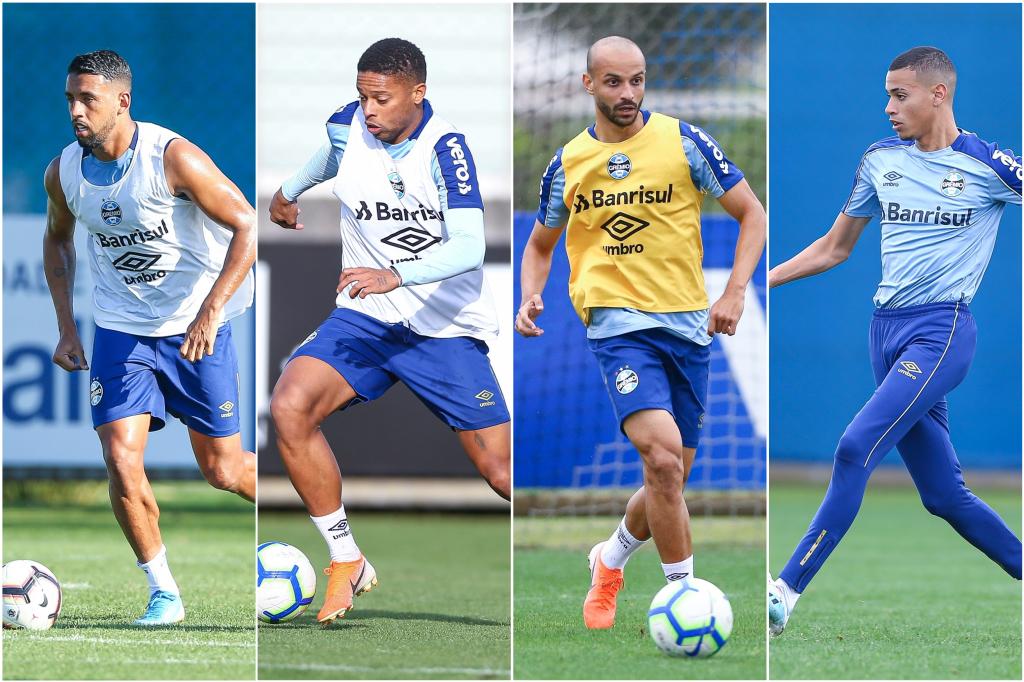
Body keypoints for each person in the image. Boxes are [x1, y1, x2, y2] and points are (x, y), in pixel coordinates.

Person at [767, 46, 1023, 637]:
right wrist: (763, 278)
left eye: (899, 94)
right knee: (944, 497)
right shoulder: (881, 161)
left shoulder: (989, 164)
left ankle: (784, 590)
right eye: (886, 94)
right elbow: (835, 247)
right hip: (884, 335)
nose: (888, 107)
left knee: (855, 446)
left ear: (939, 94)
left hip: (942, 332)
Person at [515, 36, 766, 629]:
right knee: (659, 456)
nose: (626, 94)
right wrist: (531, 291)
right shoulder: (568, 162)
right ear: (588, 85)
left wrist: (733, 292)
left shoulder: (684, 141)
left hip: (688, 327)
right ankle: (685, 594)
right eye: (613, 82)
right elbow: (540, 244)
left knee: (669, 475)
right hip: (618, 327)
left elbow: (753, 213)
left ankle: (610, 558)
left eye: (636, 81)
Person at [267, 37, 511, 626]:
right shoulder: (348, 125)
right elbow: (331, 154)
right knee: (289, 408)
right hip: (366, 319)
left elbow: (471, 247)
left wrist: (394, 274)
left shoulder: (446, 149)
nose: (369, 110)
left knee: (502, 474)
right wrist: (288, 190)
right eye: (363, 97)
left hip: (443, 330)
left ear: (417, 93)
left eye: (381, 98)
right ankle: (344, 557)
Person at [44, 50, 256, 625]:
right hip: (121, 330)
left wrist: (211, 312)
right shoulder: (63, 171)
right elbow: (57, 240)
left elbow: (246, 224)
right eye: (70, 99)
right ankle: (164, 592)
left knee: (224, 471)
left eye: (88, 98)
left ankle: (325, 521)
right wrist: (67, 324)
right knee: (120, 456)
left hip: (194, 326)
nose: (76, 111)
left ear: (122, 101)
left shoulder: (172, 157)